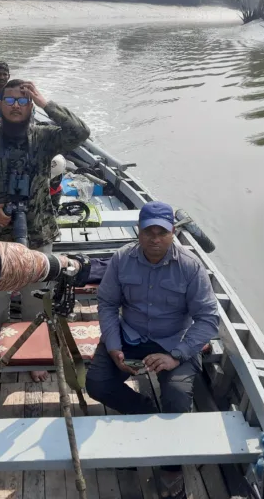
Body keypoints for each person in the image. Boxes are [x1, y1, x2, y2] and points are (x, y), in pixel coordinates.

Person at [0, 79, 90, 381]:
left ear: (30, 105)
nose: (16, 106)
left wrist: (44, 102)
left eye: (23, 100)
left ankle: (33, 354)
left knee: (36, 299)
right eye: (10, 100)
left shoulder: (44, 138)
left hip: (39, 233)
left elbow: (80, 132)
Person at [85, 201, 220, 499]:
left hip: (174, 341)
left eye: (162, 232)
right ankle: (143, 409)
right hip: (130, 335)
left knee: (177, 398)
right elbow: (107, 303)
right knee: (96, 383)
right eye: (149, 232)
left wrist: (176, 356)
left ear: (173, 232)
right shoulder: (122, 259)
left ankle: (170, 468)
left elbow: (209, 319)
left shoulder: (190, 266)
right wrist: (115, 347)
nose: (155, 238)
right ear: (138, 232)